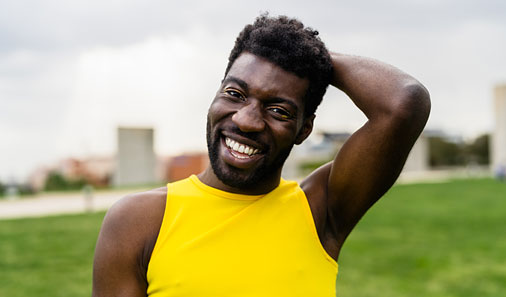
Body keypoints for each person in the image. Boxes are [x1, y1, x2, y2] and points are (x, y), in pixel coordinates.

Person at [92, 14, 430, 297]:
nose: (246, 120)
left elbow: (404, 103)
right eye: (235, 93)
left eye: (278, 110)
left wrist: (306, 54)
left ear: (304, 130)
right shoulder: (138, 222)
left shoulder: (319, 211)